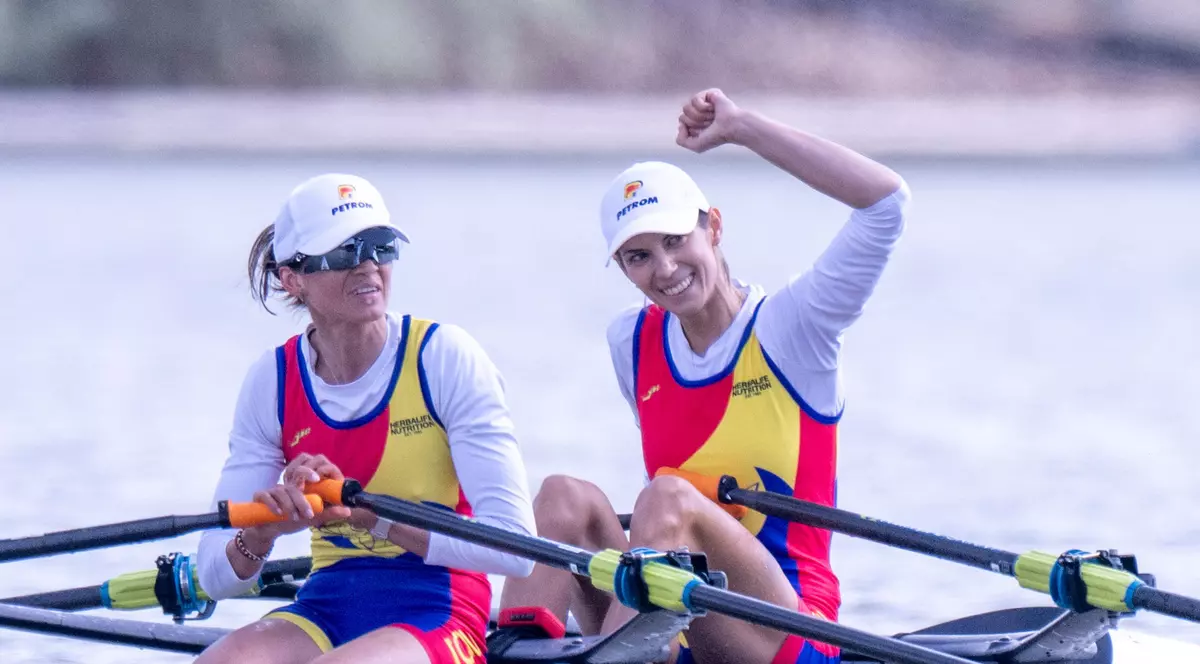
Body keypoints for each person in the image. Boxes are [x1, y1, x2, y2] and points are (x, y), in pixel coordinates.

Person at [499, 88, 910, 664]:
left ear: (714, 227)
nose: (664, 269)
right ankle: (514, 646)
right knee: (563, 498)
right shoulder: (631, 342)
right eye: (638, 256)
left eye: (675, 240)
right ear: (622, 267)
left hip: (791, 630)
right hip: (677, 623)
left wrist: (741, 128)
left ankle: (614, 655)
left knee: (669, 498)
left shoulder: (795, 327)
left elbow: (887, 203)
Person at [195, 173, 537, 664]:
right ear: (293, 279)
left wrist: (371, 518)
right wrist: (264, 531)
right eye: (343, 253)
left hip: (441, 611)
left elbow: (516, 549)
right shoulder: (271, 381)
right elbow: (213, 576)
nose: (369, 266)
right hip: (325, 608)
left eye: (380, 245)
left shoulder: (443, 357)